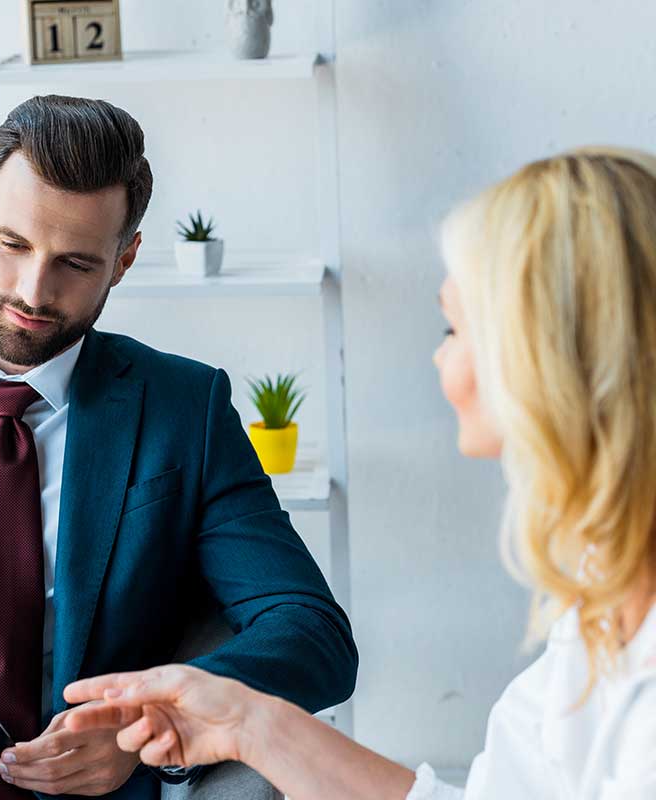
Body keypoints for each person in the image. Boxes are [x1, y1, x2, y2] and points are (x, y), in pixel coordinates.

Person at [63, 148, 656, 800]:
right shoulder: (599, 601)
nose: (439, 357)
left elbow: (310, 628)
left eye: (453, 326)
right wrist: (250, 722)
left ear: (543, 356)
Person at [0, 94, 358, 799]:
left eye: (76, 264)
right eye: (12, 245)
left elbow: (312, 634)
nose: (33, 291)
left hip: (83, 787)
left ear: (124, 261)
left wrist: (148, 719)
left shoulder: (184, 411)